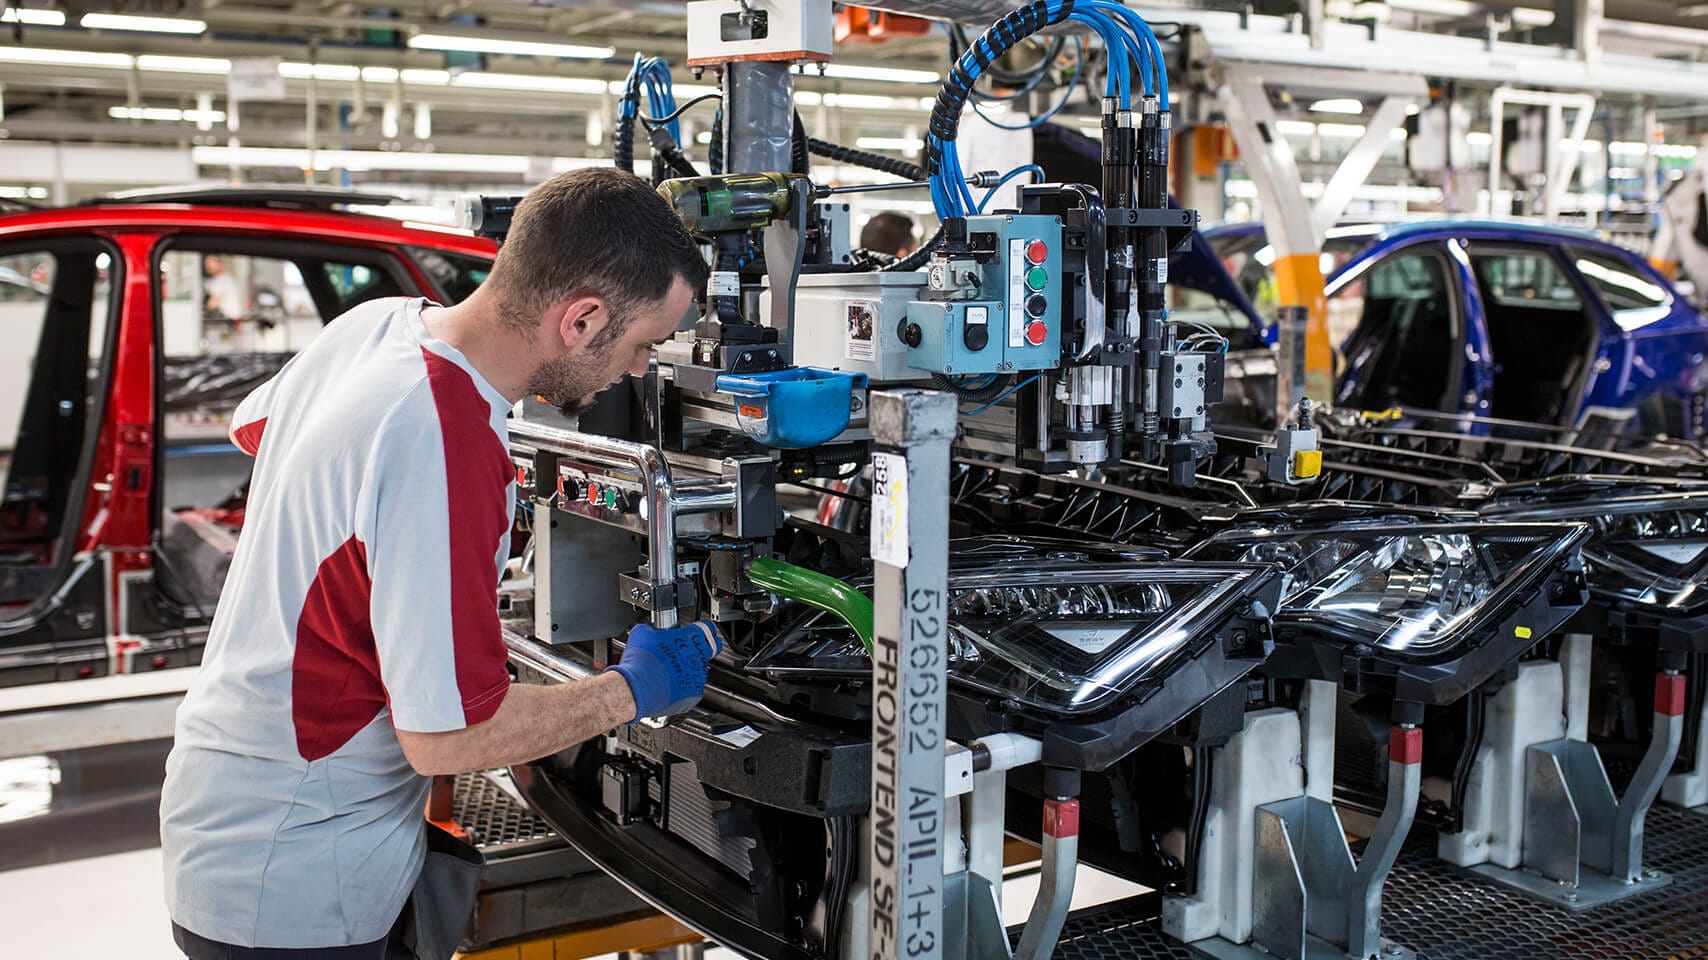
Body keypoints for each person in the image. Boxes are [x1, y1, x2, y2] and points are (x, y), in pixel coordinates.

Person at [160, 168, 718, 960]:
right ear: (583, 318)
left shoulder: (376, 327)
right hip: (299, 876)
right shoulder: (446, 437)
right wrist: (633, 690)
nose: (637, 368)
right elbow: (450, 734)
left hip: (225, 801)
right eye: (641, 344)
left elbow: (256, 431)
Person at [202, 253, 245, 321]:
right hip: (232, 319)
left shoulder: (221, 279)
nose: (207, 266)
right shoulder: (226, 278)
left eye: (209, 263)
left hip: (229, 321)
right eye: (206, 264)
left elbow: (213, 304)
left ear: (219, 263)